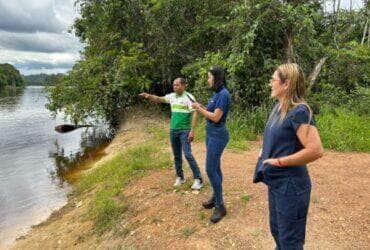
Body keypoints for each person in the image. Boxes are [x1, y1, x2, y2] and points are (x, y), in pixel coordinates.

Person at [256, 63, 324, 249]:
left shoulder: (299, 111)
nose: (270, 83)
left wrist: (280, 161)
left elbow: (316, 150)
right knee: (277, 231)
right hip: (276, 183)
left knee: (290, 241)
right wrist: (265, 150)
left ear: (286, 84)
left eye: (274, 79)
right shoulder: (278, 107)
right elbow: (277, 136)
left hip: (291, 187)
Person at [139, 78, 203, 190]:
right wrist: (148, 96)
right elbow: (159, 99)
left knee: (187, 154)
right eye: (174, 85)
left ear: (184, 86)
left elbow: (195, 113)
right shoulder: (172, 96)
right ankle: (180, 177)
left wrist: (192, 130)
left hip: (185, 130)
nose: (175, 87)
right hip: (173, 130)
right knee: (176, 155)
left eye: (177, 85)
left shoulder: (189, 97)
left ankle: (198, 179)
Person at [191, 66, 231, 223]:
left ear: (216, 78)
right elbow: (210, 111)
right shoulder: (216, 94)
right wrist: (200, 106)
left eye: (209, 77)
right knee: (215, 168)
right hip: (211, 135)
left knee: (210, 169)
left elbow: (215, 117)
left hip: (218, 136)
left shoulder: (223, 94)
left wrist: (199, 109)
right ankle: (216, 197)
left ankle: (220, 206)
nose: (208, 80)